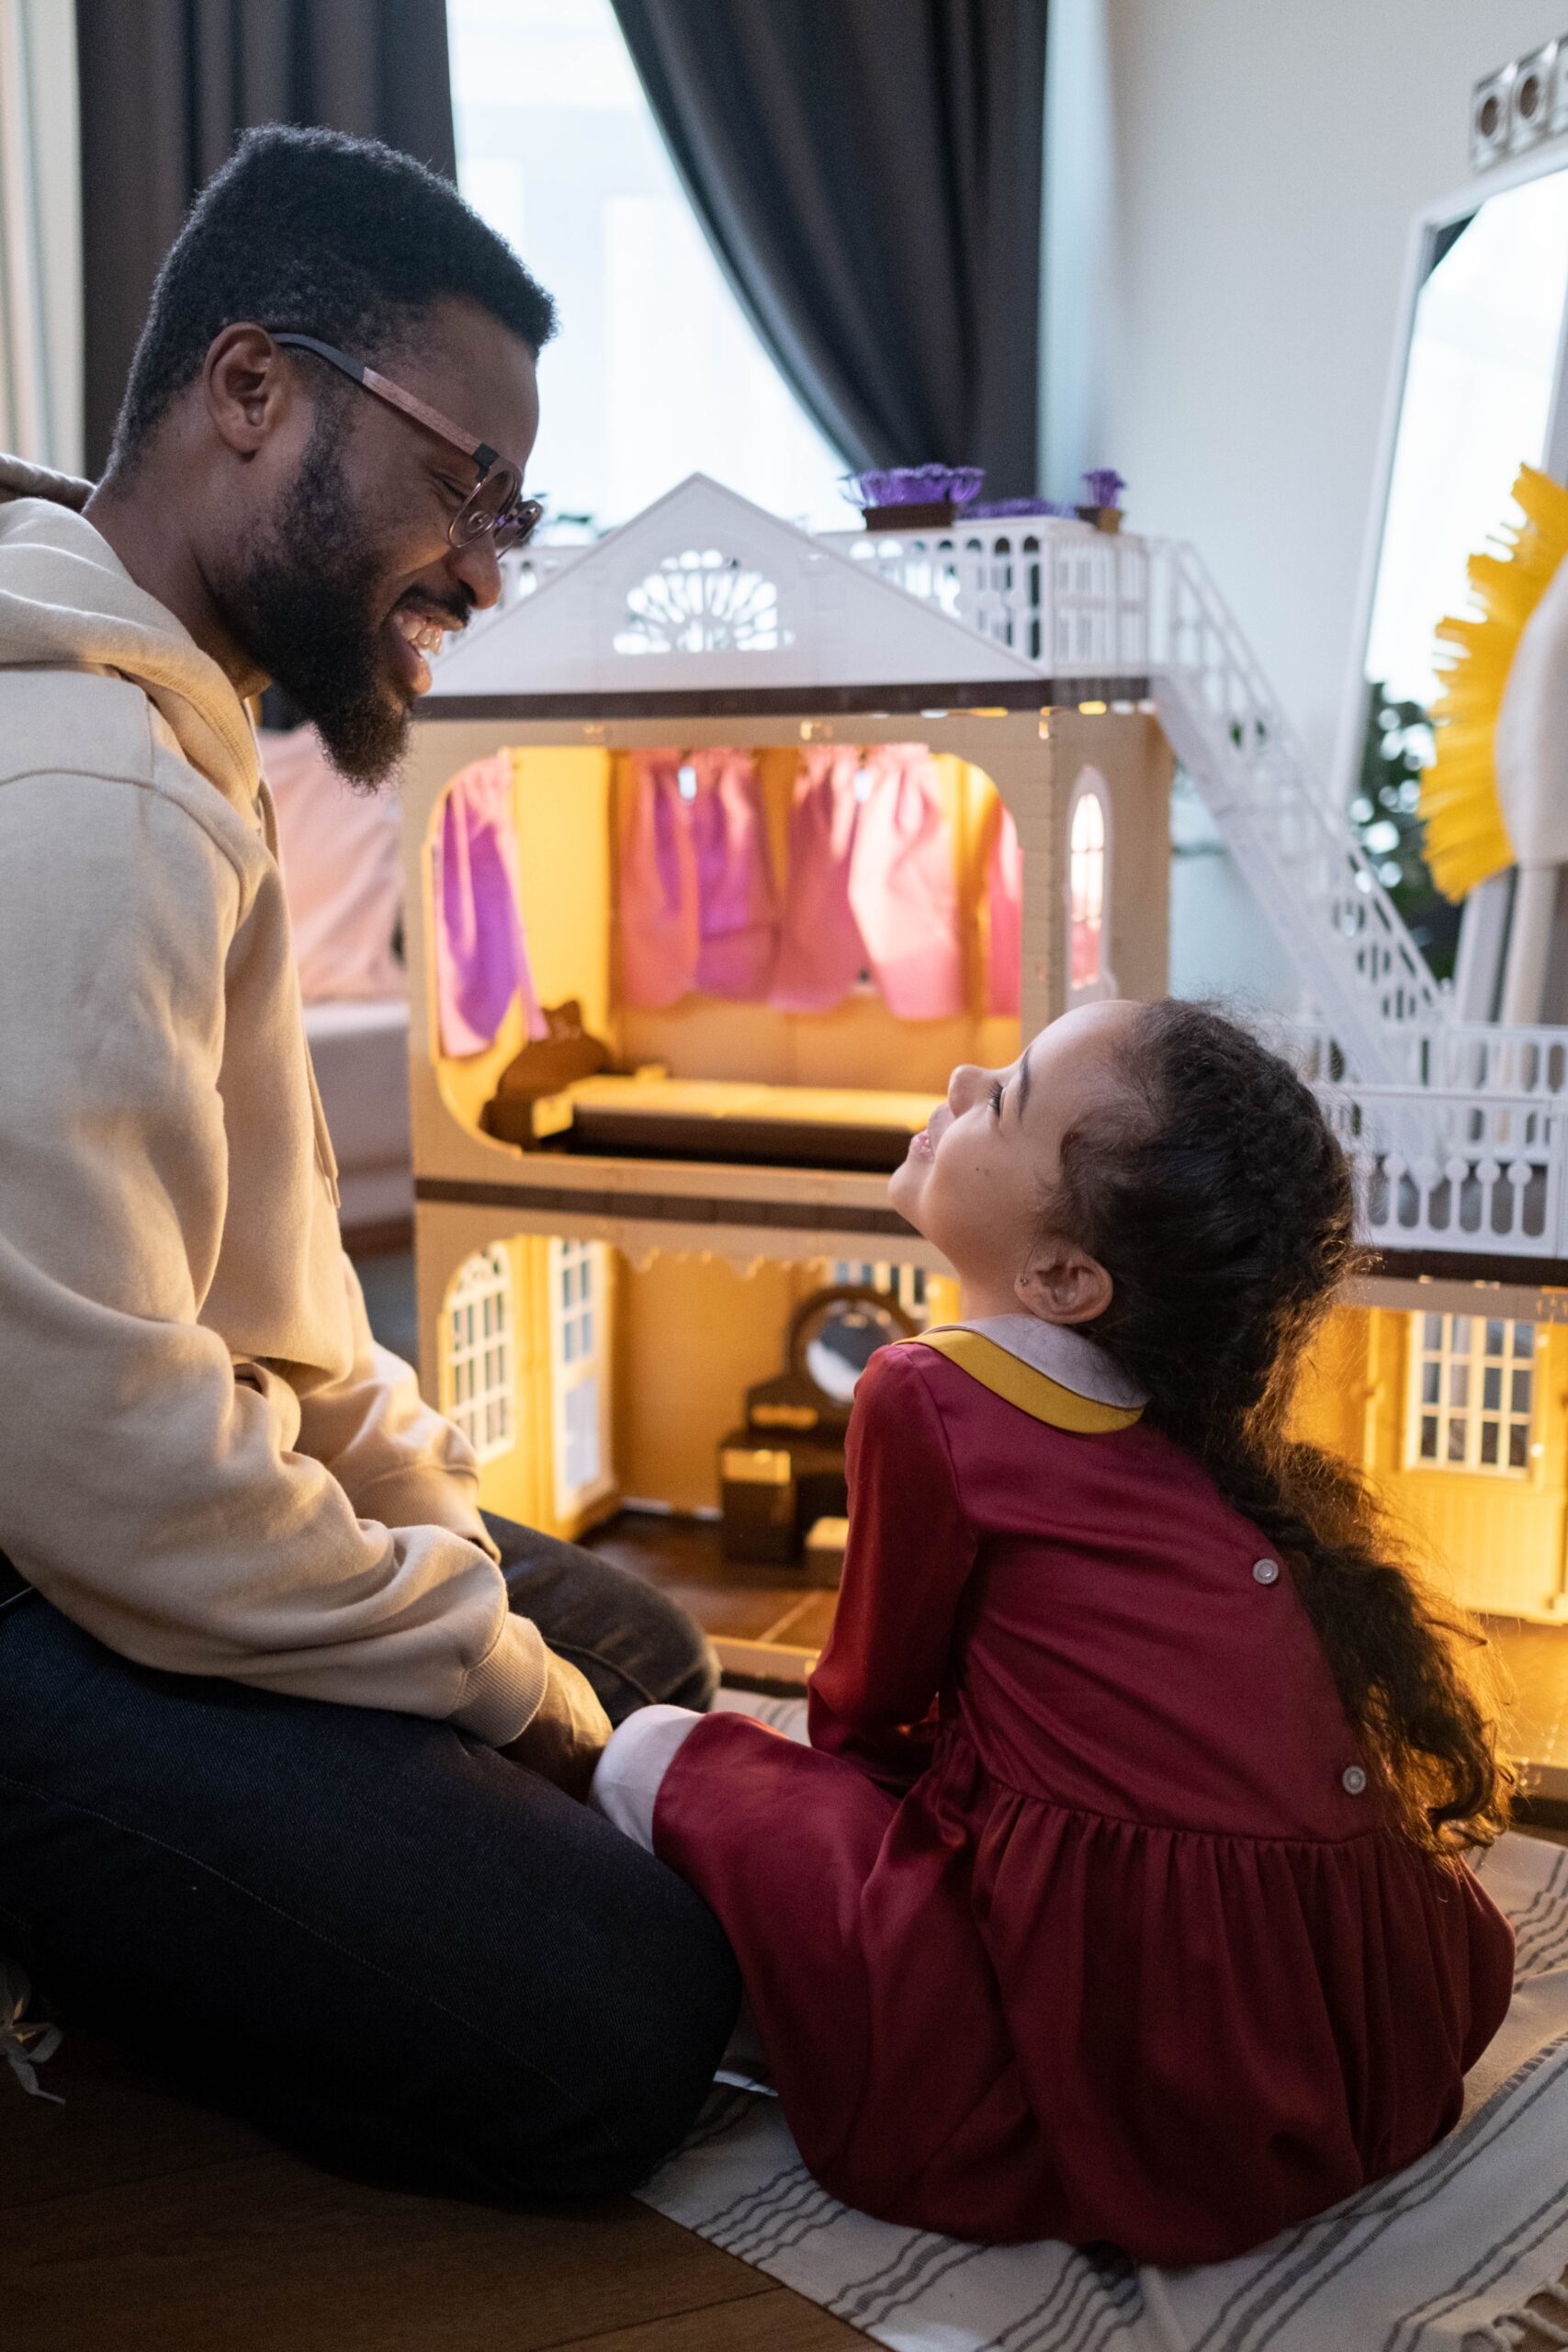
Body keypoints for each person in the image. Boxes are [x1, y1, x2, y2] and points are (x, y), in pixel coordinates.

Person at [0, 126, 737, 2200]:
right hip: (30, 1572)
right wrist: (478, 1676)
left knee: (642, 1670)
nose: (486, 567)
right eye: (457, 485)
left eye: (513, 508)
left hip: (104, 1494)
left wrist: (493, 1634)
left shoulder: (177, 740)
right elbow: (102, 1469)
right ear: (253, 391)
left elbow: (282, 1330)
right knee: (627, 2022)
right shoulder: (83, 791)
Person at [592, 998, 1517, 2262]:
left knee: (656, 1750)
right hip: (1357, 2034)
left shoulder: (928, 1393)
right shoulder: (1192, 1422)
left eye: (1006, 1097)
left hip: (1144, 2052)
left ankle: (750, 2000)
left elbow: (865, 1708)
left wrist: (850, 1865)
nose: (964, 1073)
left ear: (1065, 1281)